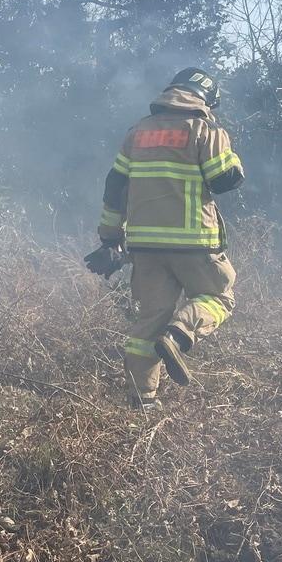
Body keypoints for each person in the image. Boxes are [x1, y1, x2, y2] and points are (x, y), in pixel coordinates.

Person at [96, 67, 244, 410]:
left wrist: (110, 238)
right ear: (206, 98)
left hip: (145, 246)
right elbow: (226, 179)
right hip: (194, 241)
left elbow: (115, 187)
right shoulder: (205, 129)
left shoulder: (137, 132)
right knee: (220, 296)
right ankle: (178, 335)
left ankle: (142, 401)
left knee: (150, 318)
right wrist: (228, 150)